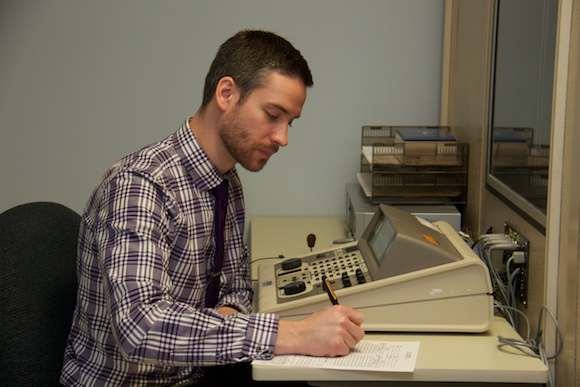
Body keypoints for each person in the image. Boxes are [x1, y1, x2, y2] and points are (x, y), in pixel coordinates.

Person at [60, 30, 365, 387]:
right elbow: (140, 327)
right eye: (273, 115)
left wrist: (228, 316)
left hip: (191, 373)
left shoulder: (225, 181)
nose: (283, 138)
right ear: (226, 94)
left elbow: (236, 288)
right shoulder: (141, 186)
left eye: (289, 123)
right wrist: (290, 334)